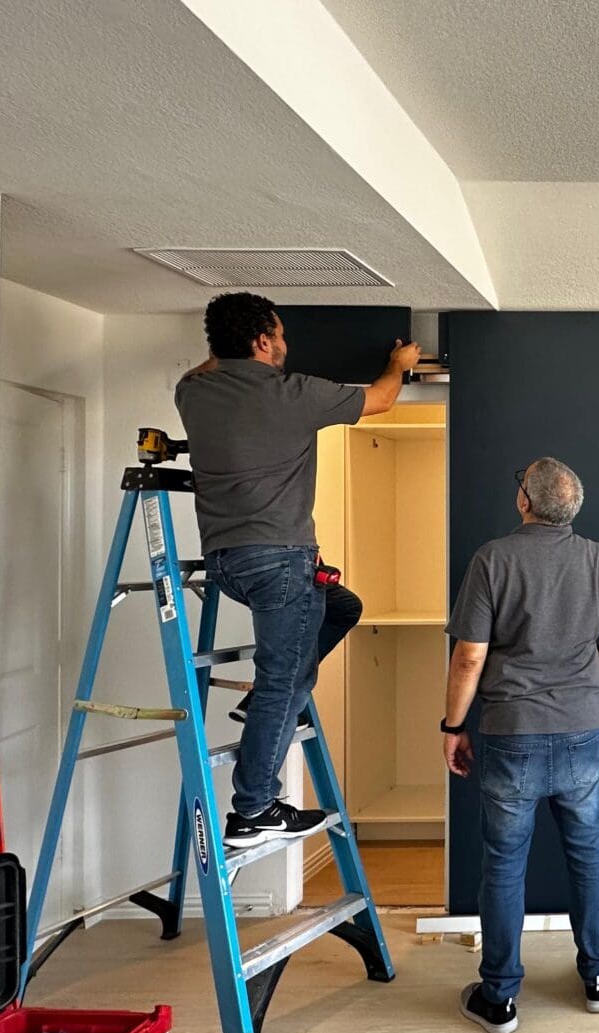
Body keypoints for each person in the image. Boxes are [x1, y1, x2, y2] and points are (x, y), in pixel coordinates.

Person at [174, 291, 417, 848]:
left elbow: (207, 365)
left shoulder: (194, 392)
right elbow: (381, 400)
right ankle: (254, 810)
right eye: (279, 334)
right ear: (262, 341)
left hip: (227, 564)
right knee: (289, 679)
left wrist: (228, 349)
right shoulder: (294, 393)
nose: (287, 344)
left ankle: (262, 704)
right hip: (281, 560)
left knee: (343, 607)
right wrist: (399, 365)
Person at [443, 457, 599, 1033]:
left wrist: (452, 726)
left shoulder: (493, 558)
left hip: (511, 735)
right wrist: (581, 684)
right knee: (588, 852)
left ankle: (499, 999)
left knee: (504, 865)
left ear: (524, 499)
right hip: (583, 733)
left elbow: (470, 656)